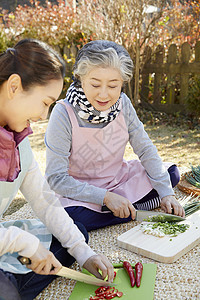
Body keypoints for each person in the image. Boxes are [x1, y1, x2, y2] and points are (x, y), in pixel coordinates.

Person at [0, 39, 114, 300]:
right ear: (14, 86)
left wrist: (84, 253)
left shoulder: (19, 142)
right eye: (45, 102)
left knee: (75, 235)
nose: (44, 115)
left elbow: (44, 200)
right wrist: (24, 244)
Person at [45, 40, 185, 232]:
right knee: (70, 216)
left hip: (118, 180)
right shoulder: (63, 113)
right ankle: (126, 209)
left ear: (122, 83)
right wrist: (106, 197)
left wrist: (167, 194)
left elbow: (144, 149)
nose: (104, 94)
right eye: (95, 84)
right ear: (80, 78)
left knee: (171, 175)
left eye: (112, 86)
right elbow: (56, 178)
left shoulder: (123, 104)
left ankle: (121, 210)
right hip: (81, 194)